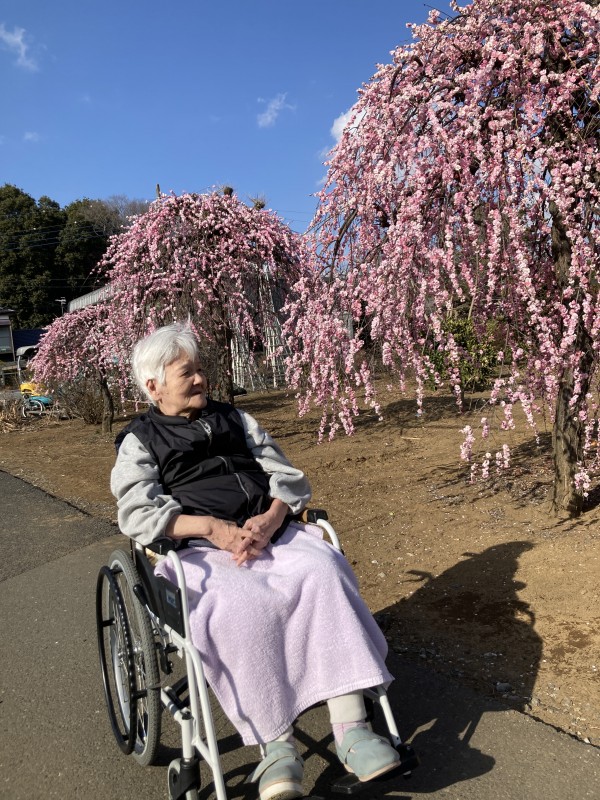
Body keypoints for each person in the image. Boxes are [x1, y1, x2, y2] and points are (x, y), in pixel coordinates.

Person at [111, 322, 401, 800]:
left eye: (201, 369)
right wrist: (211, 528)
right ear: (153, 386)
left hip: (269, 531)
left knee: (324, 571)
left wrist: (271, 517)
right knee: (243, 605)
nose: (201, 379)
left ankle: (353, 729)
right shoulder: (140, 440)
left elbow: (286, 475)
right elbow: (136, 512)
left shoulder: (236, 419)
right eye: (187, 372)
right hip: (199, 550)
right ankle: (276, 746)